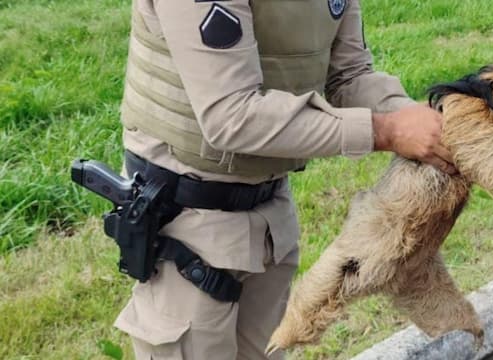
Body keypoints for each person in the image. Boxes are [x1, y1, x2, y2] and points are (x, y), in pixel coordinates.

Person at [113, 0, 455, 359]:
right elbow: (230, 115)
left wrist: (416, 120)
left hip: (268, 216)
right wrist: (386, 131)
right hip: (186, 221)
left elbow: (349, 75)